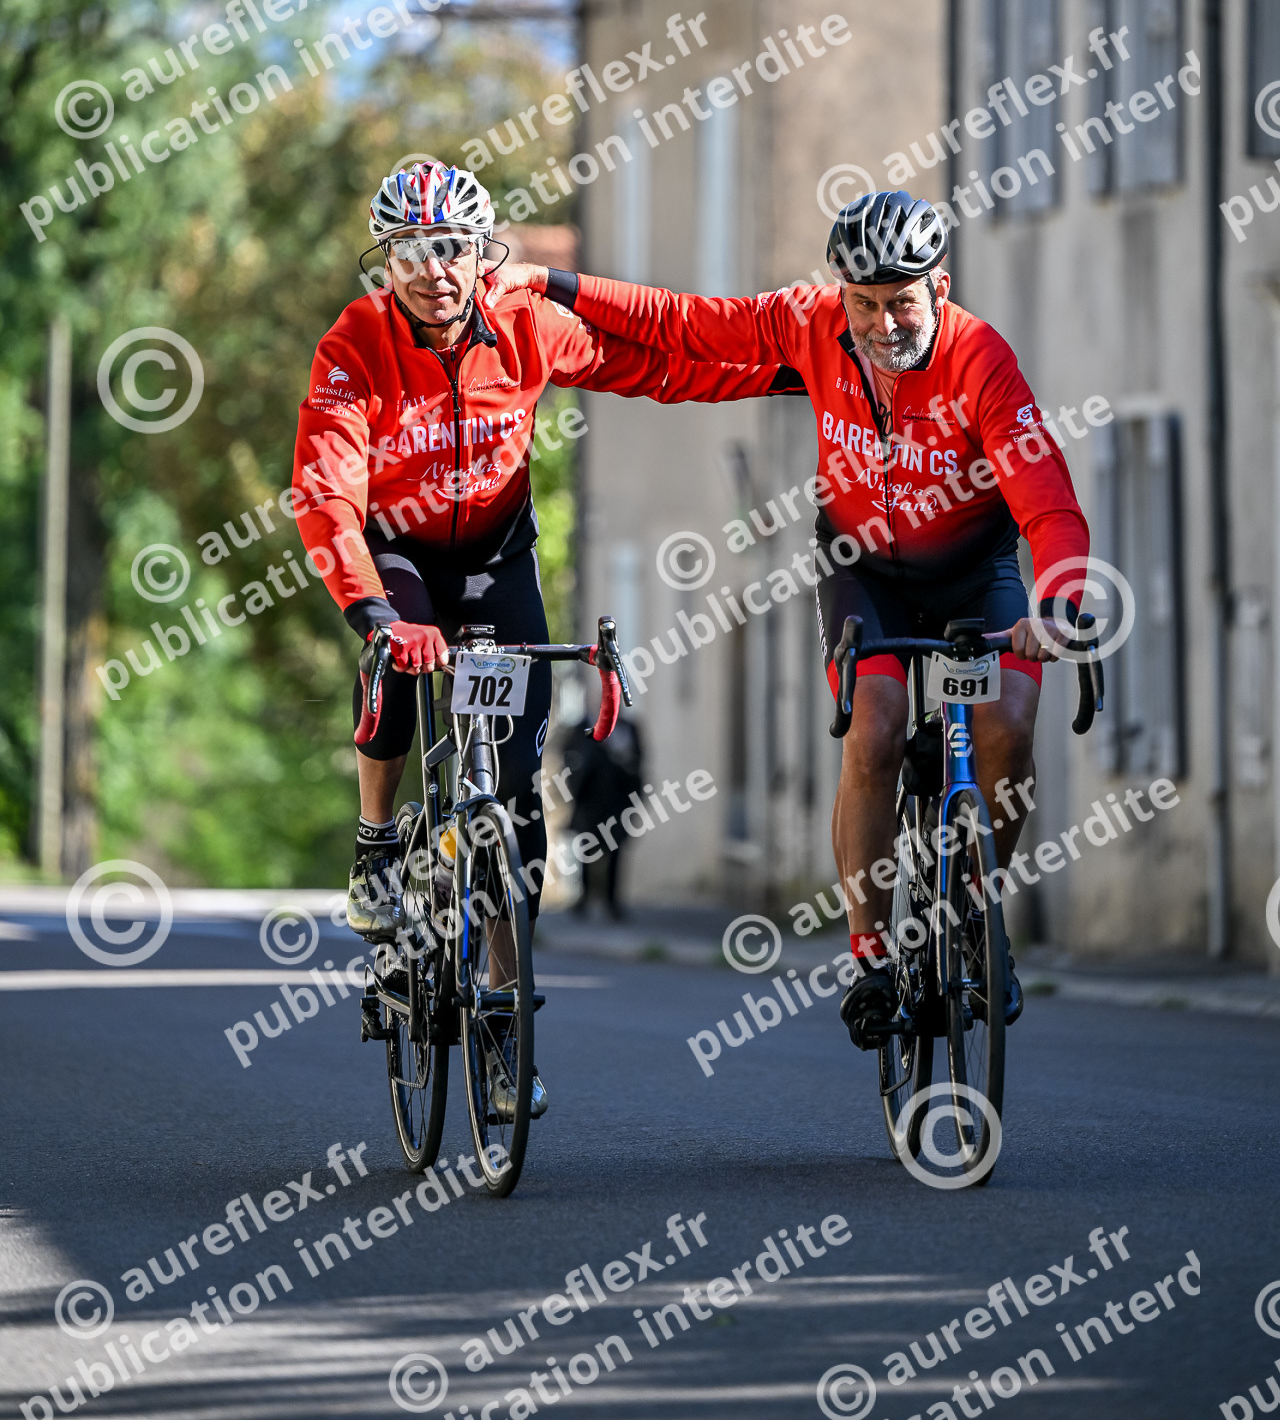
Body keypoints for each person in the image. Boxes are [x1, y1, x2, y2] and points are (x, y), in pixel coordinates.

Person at [486, 190, 1091, 1051]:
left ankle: (971, 911)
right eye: (864, 303)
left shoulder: (980, 359)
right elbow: (685, 324)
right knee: (874, 730)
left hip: (976, 573)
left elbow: (1049, 501)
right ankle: (871, 955)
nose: (881, 324)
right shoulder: (811, 323)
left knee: (1009, 723)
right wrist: (550, 282)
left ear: (940, 287)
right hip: (864, 571)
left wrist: (1059, 602)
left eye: (901, 302)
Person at [291, 160, 791, 1116]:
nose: (433, 271)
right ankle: (376, 841)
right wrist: (373, 612)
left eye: (452, 249)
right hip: (397, 554)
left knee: (514, 784)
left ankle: (504, 1006)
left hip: (496, 558)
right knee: (394, 667)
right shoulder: (354, 344)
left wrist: (786, 372)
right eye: (409, 253)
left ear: (483, 253)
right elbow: (326, 491)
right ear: (384, 264)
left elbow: (653, 366)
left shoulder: (526, 324)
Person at [565, 711, 644, 919]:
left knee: (615, 850)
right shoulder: (583, 726)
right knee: (586, 848)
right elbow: (570, 757)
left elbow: (638, 764)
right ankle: (584, 898)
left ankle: (612, 901)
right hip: (589, 801)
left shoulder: (628, 728)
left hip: (617, 803)